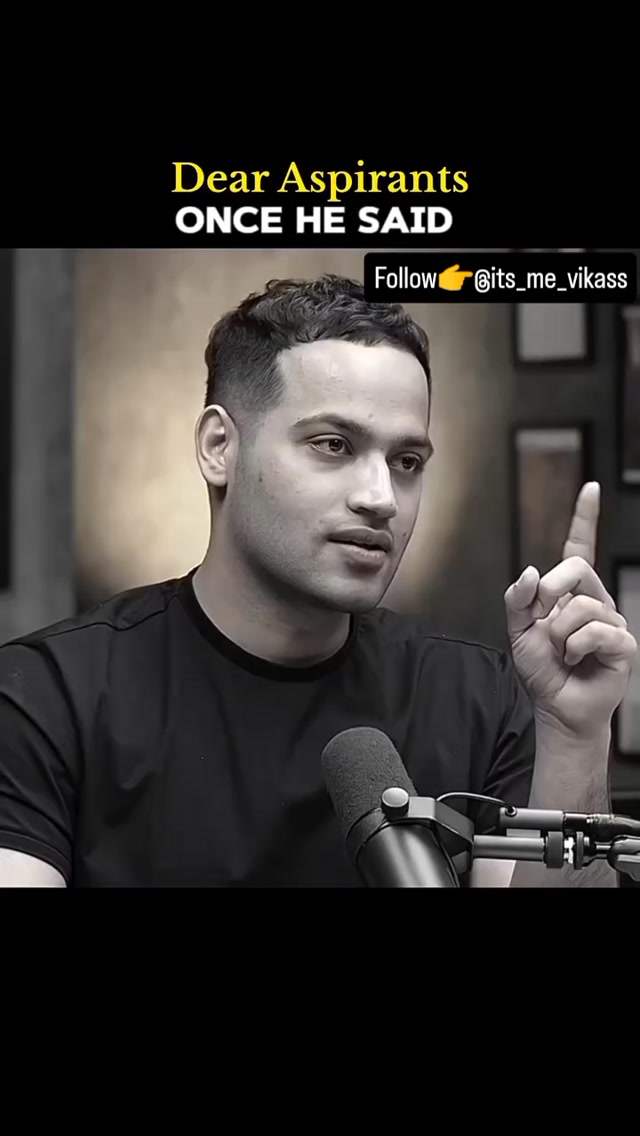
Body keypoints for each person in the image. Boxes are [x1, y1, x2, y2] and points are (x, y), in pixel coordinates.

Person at [0, 275, 635, 888]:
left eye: (406, 461)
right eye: (333, 445)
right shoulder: (46, 699)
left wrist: (575, 739)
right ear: (220, 447)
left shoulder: (480, 701)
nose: (381, 497)